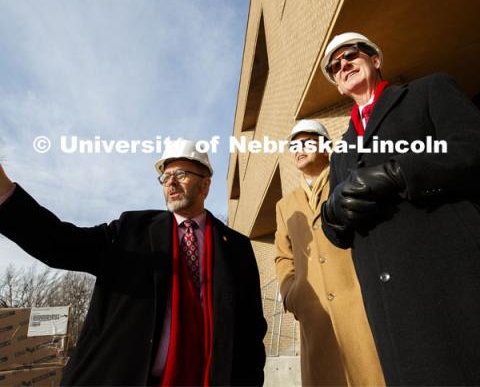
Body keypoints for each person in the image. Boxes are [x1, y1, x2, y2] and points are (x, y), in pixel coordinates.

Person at [0, 139, 267, 386]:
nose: (171, 183)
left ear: (205, 185)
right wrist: (4, 191)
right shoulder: (132, 230)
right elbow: (60, 243)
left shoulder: (235, 247)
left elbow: (251, 330)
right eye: (165, 177)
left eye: (182, 175)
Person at [320, 32, 480, 385]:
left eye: (350, 55)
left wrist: (397, 172)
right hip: (392, 309)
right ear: (338, 86)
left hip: (454, 283)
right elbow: (336, 234)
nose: (343, 65)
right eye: (335, 66)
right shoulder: (341, 152)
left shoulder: (427, 92)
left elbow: (472, 147)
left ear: (375, 60)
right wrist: (332, 212)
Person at [275, 120, 384, 386]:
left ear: (325, 147)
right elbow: (282, 256)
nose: (299, 149)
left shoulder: (347, 181)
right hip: (314, 312)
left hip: (359, 303)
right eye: (294, 144)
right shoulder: (284, 205)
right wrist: (292, 294)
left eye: (307, 141)